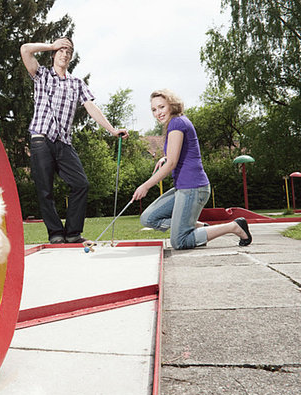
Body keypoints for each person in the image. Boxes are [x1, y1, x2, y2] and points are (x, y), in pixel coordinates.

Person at [21, 37, 128, 244]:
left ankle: (72, 233)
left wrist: (112, 130)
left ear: (71, 57)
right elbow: (25, 49)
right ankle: (56, 234)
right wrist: (52, 45)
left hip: (64, 143)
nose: (64, 53)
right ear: (54, 54)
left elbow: (91, 108)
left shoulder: (76, 83)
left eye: (68, 51)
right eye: (61, 50)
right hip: (41, 139)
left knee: (81, 184)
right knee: (45, 190)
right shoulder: (41, 74)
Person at [132, 89, 252, 249]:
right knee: (148, 218)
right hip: (183, 188)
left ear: (172, 105)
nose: (158, 113)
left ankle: (234, 227)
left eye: (161, 107)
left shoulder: (176, 123)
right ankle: (201, 229)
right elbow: (178, 154)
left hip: (193, 189)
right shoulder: (175, 123)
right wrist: (165, 157)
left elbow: (172, 164)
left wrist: (146, 185)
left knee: (179, 241)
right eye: (154, 109)